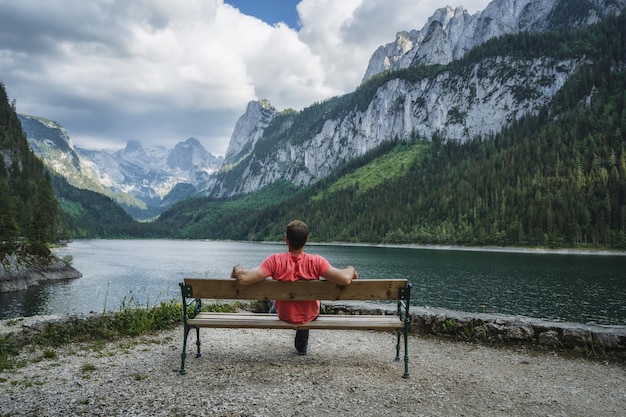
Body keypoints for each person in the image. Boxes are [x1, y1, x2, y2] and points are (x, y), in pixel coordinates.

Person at [230, 220, 358, 355]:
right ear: (306, 240)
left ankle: (295, 317)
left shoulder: (275, 261)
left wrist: (237, 269)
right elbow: (345, 278)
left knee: (275, 302)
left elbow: (245, 278)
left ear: (286, 240)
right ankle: (302, 343)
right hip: (310, 314)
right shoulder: (317, 261)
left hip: (284, 314)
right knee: (313, 303)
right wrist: (351, 269)